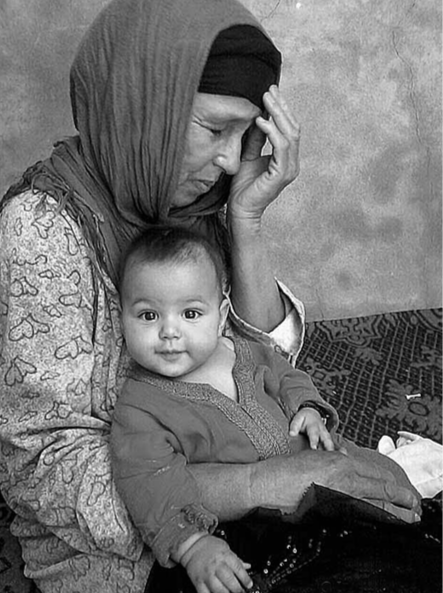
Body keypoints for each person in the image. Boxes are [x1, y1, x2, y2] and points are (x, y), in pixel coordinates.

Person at [0, 0, 420, 592]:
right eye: (213, 127)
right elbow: (44, 472)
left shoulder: (191, 209)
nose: (229, 158)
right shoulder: (41, 231)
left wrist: (244, 220)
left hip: (257, 495)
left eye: (244, 134)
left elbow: (252, 369)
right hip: (127, 550)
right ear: (141, 104)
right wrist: (273, 482)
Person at [111, 225, 341, 593]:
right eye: (149, 316)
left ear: (220, 316)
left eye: (190, 314)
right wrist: (193, 546)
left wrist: (308, 408)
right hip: (250, 527)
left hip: (323, 476)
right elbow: (150, 484)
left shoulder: (246, 353)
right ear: (122, 318)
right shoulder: (139, 409)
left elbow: (287, 376)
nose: (169, 332)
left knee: (390, 498)